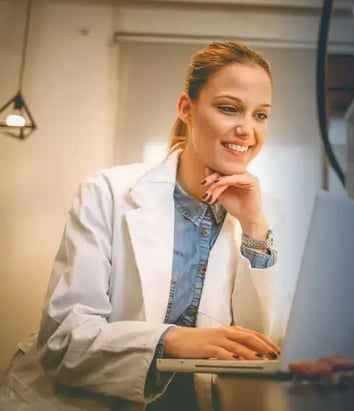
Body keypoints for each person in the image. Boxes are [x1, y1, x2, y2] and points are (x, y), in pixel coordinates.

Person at [0, 41, 289, 411]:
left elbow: (265, 340)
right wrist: (171, 339)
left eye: (260, 115)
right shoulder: (106, 191)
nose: (246, 130)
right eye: (229, 108)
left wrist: (252, 225)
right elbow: (65, 342)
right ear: (187, 108)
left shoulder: (263, 214)